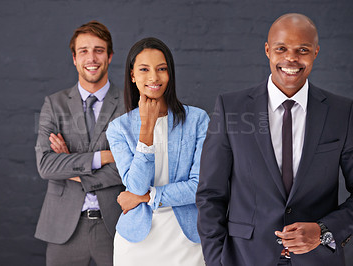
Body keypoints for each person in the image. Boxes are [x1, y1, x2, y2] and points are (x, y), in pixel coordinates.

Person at [196, 13, 353, 266]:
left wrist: (324, 231)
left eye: (303, 49)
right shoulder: (231, 108)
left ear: (315, 52)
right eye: (282, 49)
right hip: (245, 259)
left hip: (318, 260)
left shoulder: (341, 112)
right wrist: (216, 261)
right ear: (268, 50)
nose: (291, 58)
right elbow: (210, 195)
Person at [105, 37, 209, 266]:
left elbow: (198, 187)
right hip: (136, 243)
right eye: (144, 69)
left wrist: (146, 197)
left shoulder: (197, 120)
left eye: (161, 69)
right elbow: (136, 186)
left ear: (170, 74)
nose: (153, 77)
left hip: (185, 240)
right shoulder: (118, 129)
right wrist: (147, 129)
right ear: (133, 76)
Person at [34, 20, 125, 266]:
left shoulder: (130, 105)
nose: (91, 58)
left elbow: (128, 167)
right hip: (64, 229)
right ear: (74, 58)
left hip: (117, 226)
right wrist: (104, 157)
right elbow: (46, 166)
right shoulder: (54, 105)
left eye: (98, 50)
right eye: (83, 51)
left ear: (109, 56)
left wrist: (68, 164)